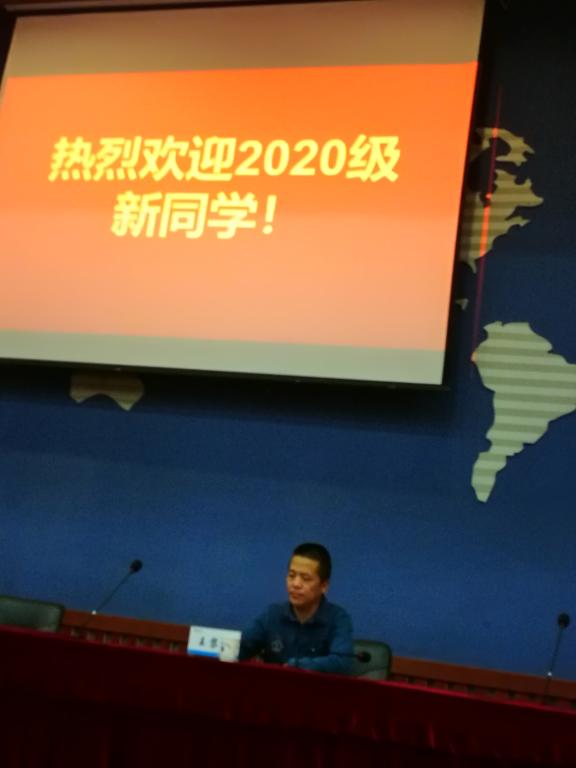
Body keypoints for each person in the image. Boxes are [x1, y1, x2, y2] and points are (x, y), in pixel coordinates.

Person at [239, 542, 353, 674]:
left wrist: (297, 666)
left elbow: (342, 662)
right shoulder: (272, 614)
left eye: (306, 578)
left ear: (324, 586)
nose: (296, 584)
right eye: (291, 575)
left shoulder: (338, 618)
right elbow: (240, 647)